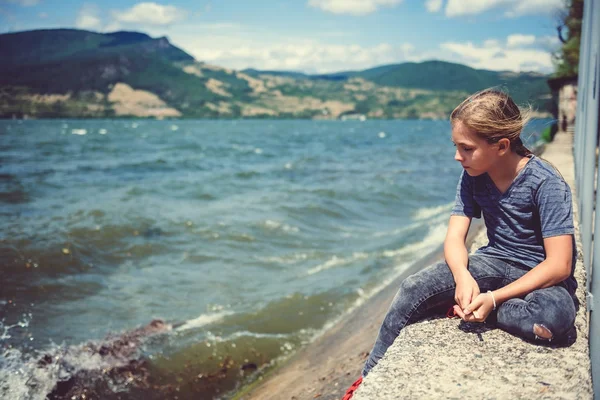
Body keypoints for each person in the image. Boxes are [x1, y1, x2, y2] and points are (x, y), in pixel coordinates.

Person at [342, 88, 577, 400]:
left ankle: (486, 309)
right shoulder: (473, 175)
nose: (458, 156)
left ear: (502, 146)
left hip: (540, 275)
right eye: (456, 146)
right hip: (493, 262)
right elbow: (454, 237)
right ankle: (369, 377)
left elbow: (559, 264)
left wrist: (493, 300)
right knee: (414, 287)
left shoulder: (545, 183)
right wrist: (463, 276)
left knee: (554, 321)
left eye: (466, 148)